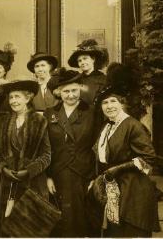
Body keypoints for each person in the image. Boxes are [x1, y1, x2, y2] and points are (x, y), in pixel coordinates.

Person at [89, 69, 160, 237]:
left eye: (113, 101)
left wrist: (117, 170)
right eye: (105, 103)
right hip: (113, 188)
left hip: (133, 191)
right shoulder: (106, 127)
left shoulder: (132, 125)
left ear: (122, 103)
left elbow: (149, 158)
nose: (109, 106)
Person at [44, 68, 99, 237]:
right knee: (61, 219)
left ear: (80, 88)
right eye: (66, 91)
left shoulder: (92, 112)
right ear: (59, 92)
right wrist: (48, 176)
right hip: (58, 171)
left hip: (83, 172)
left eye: (74, 90)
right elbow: (45, 147)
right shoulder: (50, 113)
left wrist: (96, 176)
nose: (70, 95)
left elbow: (99, 145)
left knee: (82, 218)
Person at [0, 80, 51, 235]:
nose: (13, 101)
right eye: (11, 97)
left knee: (29, 231)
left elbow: (47, 155)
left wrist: (28, 171)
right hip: (8, 186)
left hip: (33, 185)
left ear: (28, 98)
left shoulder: (40, 121)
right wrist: (3, 168)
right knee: (8, 229)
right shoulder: (3, 123)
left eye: (17, 97)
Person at [68, 39, 109, 105]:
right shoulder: (76, 79)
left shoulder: (104, 80)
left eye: (85, 58)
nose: (82, 62)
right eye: (79, 61)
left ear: (93, 59)